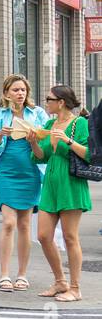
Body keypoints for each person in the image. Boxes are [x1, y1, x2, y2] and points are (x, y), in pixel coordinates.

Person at [0, 75, 49, 292]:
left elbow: (45, 141)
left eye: (23, 90)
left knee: (25, 225)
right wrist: (1, 134)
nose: (20, 93)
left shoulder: (37, 113)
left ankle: (22, 274)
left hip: (30, 172)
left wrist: (35, 137)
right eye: (16, 90)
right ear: (7, 92)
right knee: (8, 223)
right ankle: (4, 275)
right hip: (6, 173)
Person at [34, 85, 91, 303]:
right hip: (51, 183)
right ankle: (60, 281)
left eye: (49, 99)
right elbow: (42, 156)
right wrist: (32, 141)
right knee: (43, 236)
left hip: (71, 184)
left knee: (69, 237)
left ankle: (75, 288)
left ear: (61, 102)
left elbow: (88, 154)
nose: (46, 102)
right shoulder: (49, 124)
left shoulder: (80, 123)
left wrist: (68, 140)